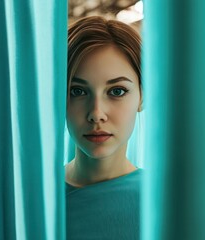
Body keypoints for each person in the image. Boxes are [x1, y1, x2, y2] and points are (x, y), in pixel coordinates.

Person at [65, 16, 143, 240]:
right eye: (78, 91)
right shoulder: (28, 198)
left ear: (142, 96)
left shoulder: (168, 204)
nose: (96, 114)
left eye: (117, 91)